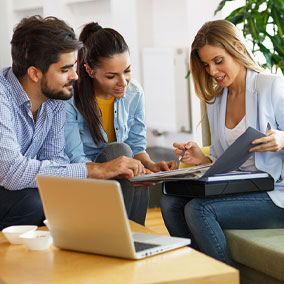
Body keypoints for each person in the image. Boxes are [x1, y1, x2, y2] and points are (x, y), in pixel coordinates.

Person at [0, 16, 145, 230]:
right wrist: (97, 170)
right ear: (34, 73)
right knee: (34, 201)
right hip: (10, 191)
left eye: (75, 67)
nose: (76, 76)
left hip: (22, 192)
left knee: (56, 199)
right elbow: (12, 172)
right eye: (65, 69)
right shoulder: (3, 97)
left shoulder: (55, 100)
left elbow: (57, 161)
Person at [160, 20, 284, 265]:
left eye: (218, 61)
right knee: (170, 202)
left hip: (275, 194)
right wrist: (203, 158)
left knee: (198, 209)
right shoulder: (216, 100)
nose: (213, 71)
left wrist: (283, 138)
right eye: (206, 65)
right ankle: (198, 274)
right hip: (240, 187)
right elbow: (222, 159)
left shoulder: (271, 86)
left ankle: (224, 278)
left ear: (238, 48)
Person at [64, 22, 177, 225]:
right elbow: (76, 162)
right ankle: (121, 234)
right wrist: (117, 164)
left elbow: (137, 147)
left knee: (133, 163)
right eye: (111, 76)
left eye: (127, 71)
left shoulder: (134, 92)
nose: (123, 82)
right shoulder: (70, 99)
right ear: (89, 70)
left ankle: (133, 235)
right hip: (86, 179)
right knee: (121, 151)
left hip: (121, 178)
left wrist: (151, 165)